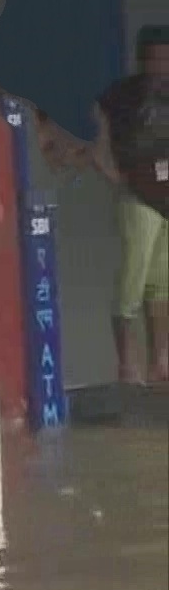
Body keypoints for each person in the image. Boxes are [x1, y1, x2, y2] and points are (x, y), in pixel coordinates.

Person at [92, 26, 169, 384]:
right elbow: (96, 129)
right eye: (153, 58)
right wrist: (110, 171)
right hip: (138, 192)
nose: (160, 65)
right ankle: (127, 363)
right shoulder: (123, 96)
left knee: (162, 281)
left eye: (165, 57)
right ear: (142, 60)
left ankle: (161, 360)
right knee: (133, 275)